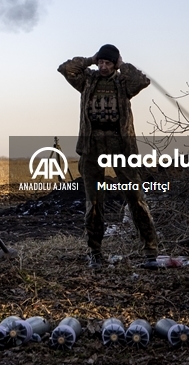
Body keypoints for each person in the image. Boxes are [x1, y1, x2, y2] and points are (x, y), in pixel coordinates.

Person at [58, 44, 160, 268]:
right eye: (101, 62)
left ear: (115, 64)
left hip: (121, 146)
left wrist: (123, 65)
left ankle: (151, 250)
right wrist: (90, 59)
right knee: (94, 202)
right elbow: (65, 69)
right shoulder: (87, 80)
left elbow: (142, 81)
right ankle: (95, 252)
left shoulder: (123, 82)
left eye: (108, 63)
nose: (103, 67)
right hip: (91, 147)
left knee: (135, 197)